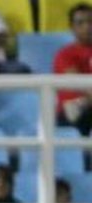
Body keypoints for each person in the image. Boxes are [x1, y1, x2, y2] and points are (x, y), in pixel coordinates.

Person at [54, 3, 92, 136]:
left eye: (90, 22)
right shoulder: (65, 54)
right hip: (73, 112)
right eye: (80, 23)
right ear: (72, 28)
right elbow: (80, 83)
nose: (87, 27)